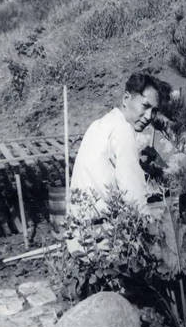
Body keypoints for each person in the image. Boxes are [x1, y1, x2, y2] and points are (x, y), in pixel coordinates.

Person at [69, 72, 170, 218]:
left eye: (154, 111)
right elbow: (133, 195)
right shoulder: (123, 130)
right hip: (100, 230)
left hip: (79, 223)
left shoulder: (101, 124)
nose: (149, 116)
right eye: (145, 106)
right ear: (126, 98)